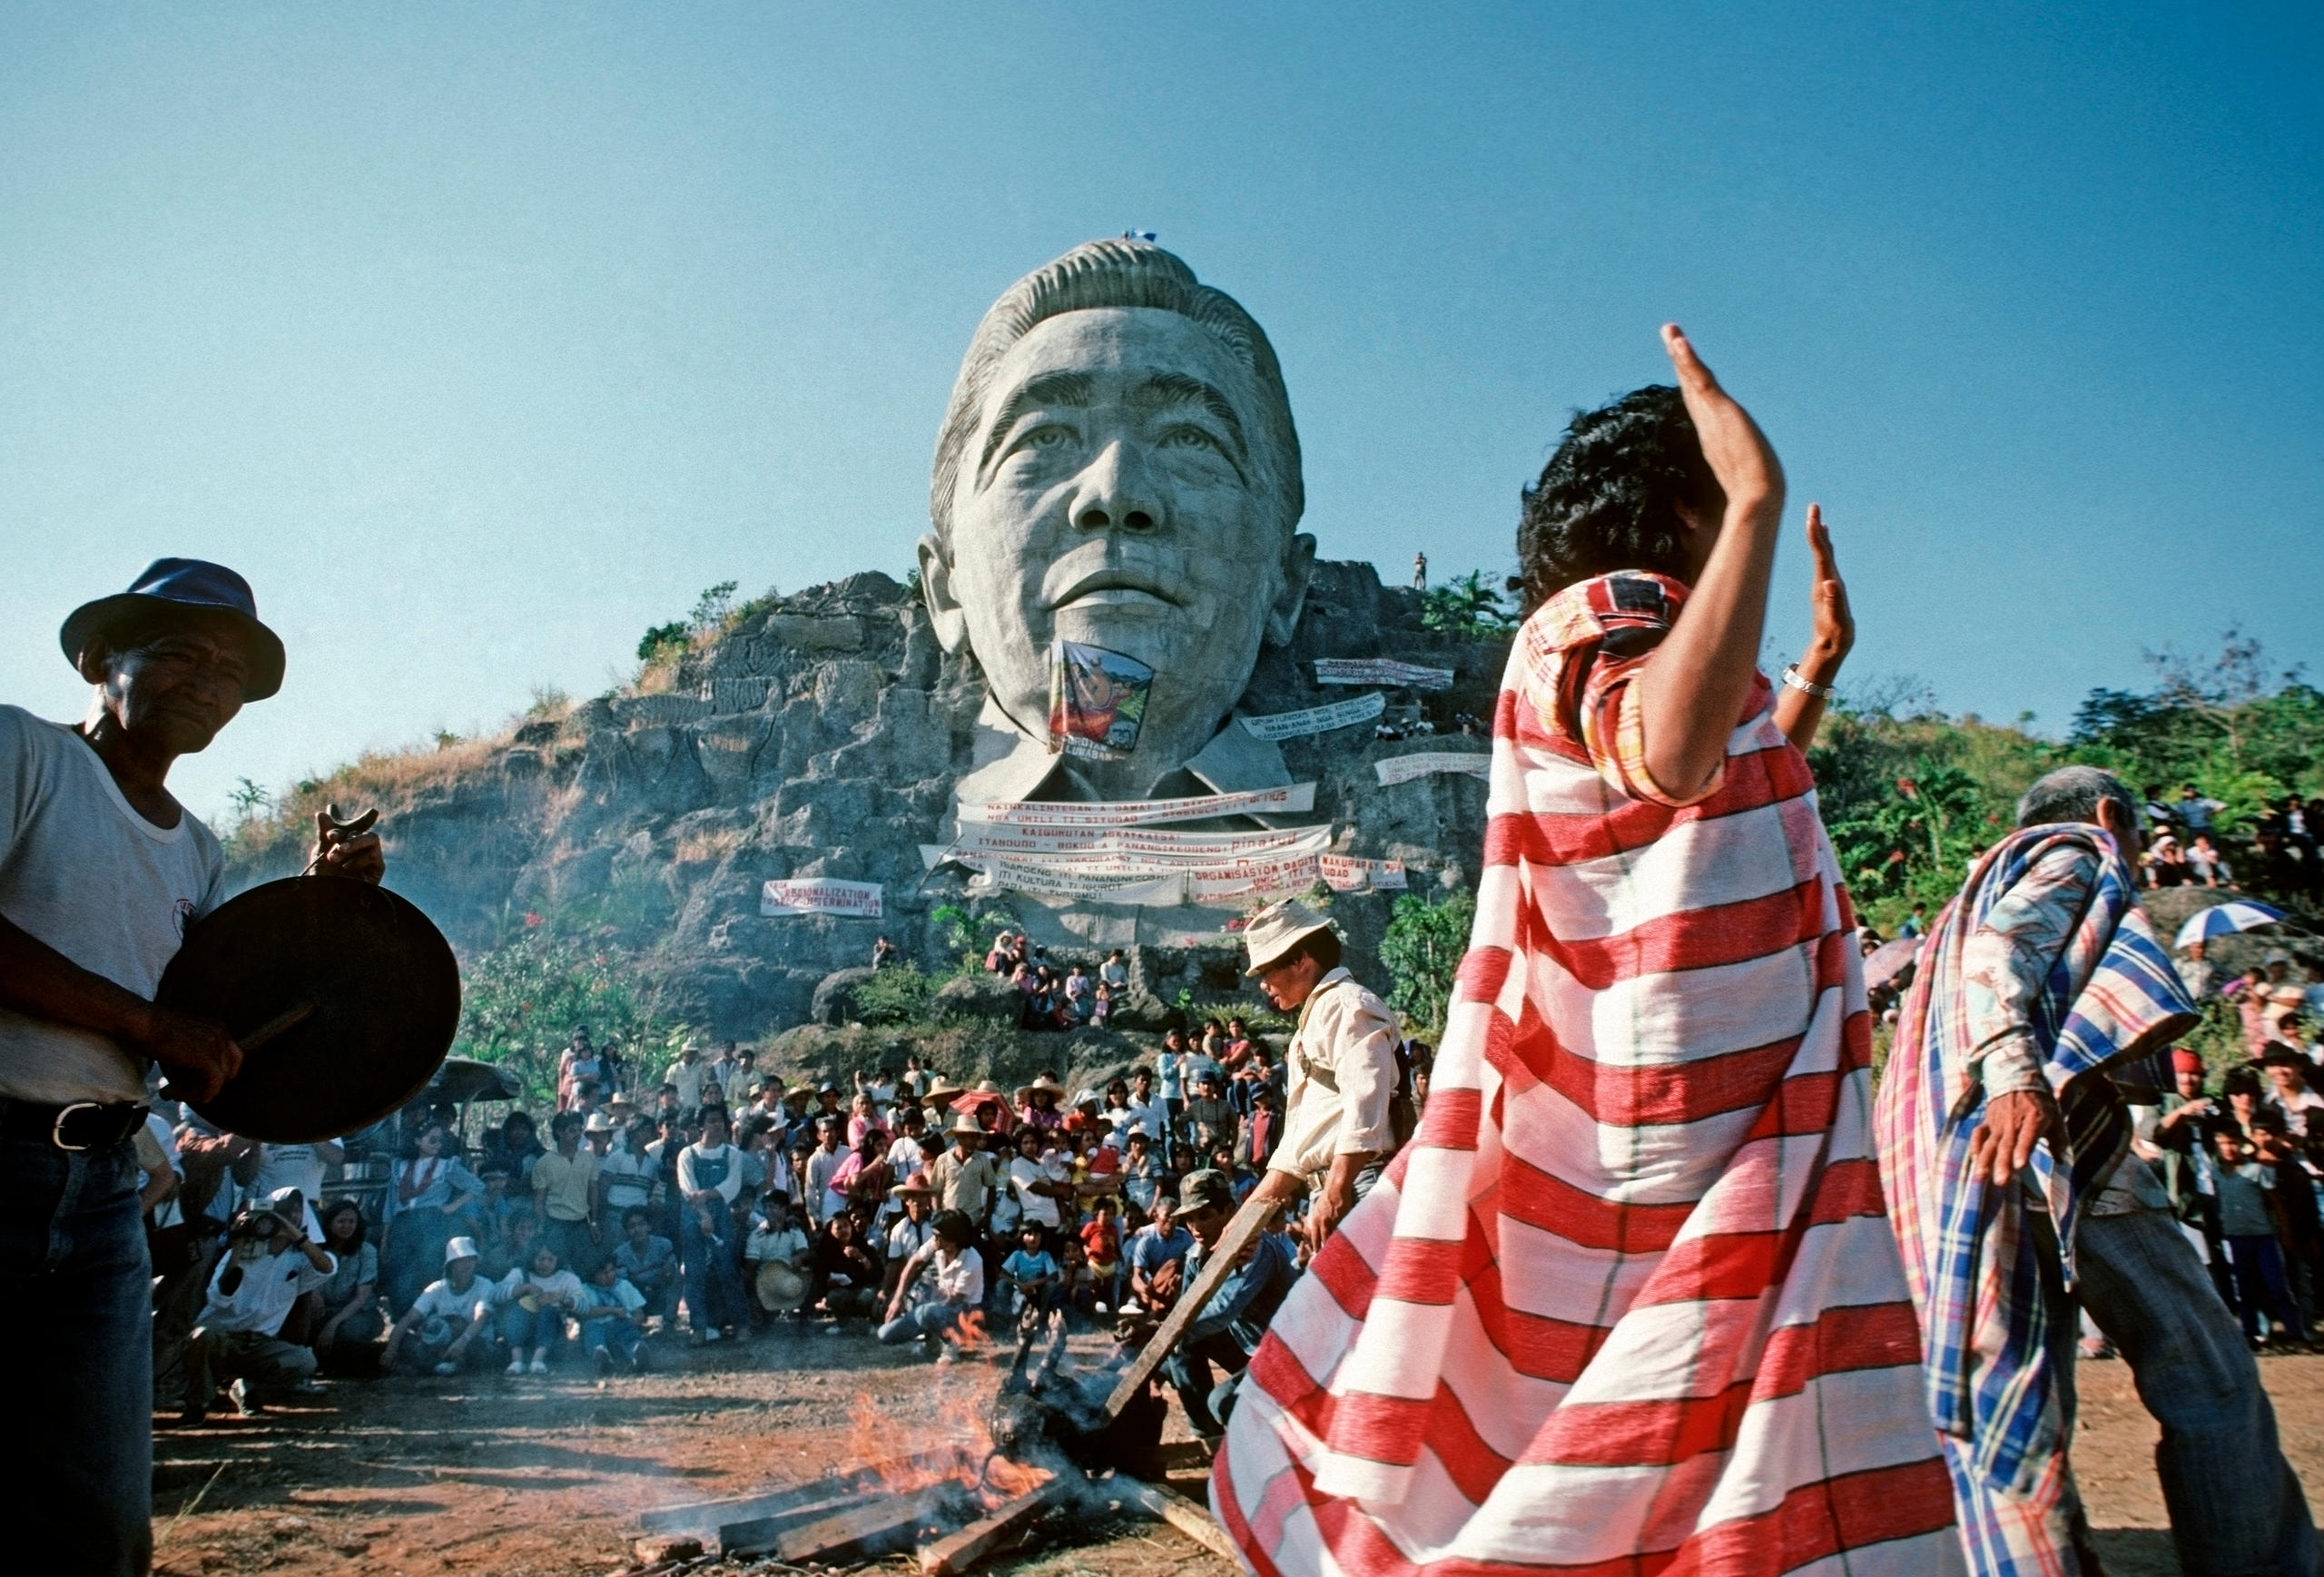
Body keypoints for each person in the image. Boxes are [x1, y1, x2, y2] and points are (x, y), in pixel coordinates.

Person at [1222, 331, 1953, 1574]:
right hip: (1676, 1112)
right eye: (1715, 507)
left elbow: (1705, 806)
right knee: (1684, 1421)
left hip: (1667, 1111)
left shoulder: (1630, 646)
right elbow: (1663, 749)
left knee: (1637, 1422)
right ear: (1682, 511)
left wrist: (1811, 679)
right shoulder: (1609, 617)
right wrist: (1760, 510)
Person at [0, 560, 387, 1573]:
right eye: (180, 652)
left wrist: (320, 906)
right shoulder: (23, 755)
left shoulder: (198, 854)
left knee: (96, 1511)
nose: (209, 681)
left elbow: (214, 1030)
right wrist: (151, 1025)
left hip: (102, 1195)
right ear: (99, 660)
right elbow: (158, 1023)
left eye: (230, 670)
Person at [1878, 764, 2315, 1573]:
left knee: (2025, 1384)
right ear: (2114, 814)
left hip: (1969, 1163)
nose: (2143, 854)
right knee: (2206, 1366)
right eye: (2141, 834)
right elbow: (2003, 949)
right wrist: (2013, 1074)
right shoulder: (2076, 847)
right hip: (2057, 1150)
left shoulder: (1966, 893)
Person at [1234, 900, 1399, 1248]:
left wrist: (1337, 1190)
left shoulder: (1345, 1003)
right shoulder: (1308, 1030)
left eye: (1266, 971)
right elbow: (1296, 1149)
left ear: (1300, 960)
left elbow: (1365, 1099)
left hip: (1357, 1186)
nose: (1264, 984)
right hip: (1330, 1190)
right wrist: (1241, 1226)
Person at [1156, 1168, 1295, 1442]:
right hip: (1249, 1351)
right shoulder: (1197, 1255)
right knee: (1180, 1345)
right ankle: (1206, 1439)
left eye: (1204, 1216)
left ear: (1230, 1211)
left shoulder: (1256, 1247)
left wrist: (1161, 1332)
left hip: (1287, 1356)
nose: (1195, 1227)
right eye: (1189, 1219)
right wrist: (1155, 1368)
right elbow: (1186, 1312)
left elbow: (1222, 1310)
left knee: (1222, 1402)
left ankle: (1274, 1450)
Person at [181, 1188, 339, 1424]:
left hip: (260, 1342)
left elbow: (327, 1267)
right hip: (223, 1335)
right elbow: (220, 1295)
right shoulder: (244, 1250)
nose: (292, 1215)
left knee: (304, 1361)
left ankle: (247, 1387)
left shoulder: (298, 1258)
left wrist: (297, 1236)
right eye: (285, 1210)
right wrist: (237, 1247)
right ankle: (198, 1402)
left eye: (297, 1210)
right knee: (202, 1336)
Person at [382, 1121, 483, 1312]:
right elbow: (390, 1204)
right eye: (433, 1139)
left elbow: (476, 1186)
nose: (438, 1144)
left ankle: (428, 1321)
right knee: (400, 1274)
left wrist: (451, 1207)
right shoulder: (400, 1166)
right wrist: (385, 1236)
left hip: (431, 1222)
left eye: (441, 1141)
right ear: (418, 1141)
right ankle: (401, 1321)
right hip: (402, 1223)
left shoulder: (446, 1166)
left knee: (428, 1272)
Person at [676, 1106, 749, 1340]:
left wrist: (706, 1198)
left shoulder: (733, 1154)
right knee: (695, 1272)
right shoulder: (687, 1154)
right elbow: (688, 1189)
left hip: (722, 1215)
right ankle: (698, 1328)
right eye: (711, 1121)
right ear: (701, 1125)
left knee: (728, 1269)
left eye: (720, 1121)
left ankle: (741, 1325)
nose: (716, 1125)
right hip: (692, 1216)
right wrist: (703, 1215)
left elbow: (732, 1186)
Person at [878, 1209, 984, 1360]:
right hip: (938, 1306)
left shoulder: (973, 1262)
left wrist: (923, 1313)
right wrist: (897, 1298)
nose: (934, 1239)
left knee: (928, 1311)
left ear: (952, 1239)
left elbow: (954, 1300)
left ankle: (951, 1345)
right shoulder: (937, 1244)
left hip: (964, 1314)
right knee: (885, 1334)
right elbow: (913, 1263)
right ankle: (931, 1337)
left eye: (938, 1236)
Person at [381, 1237, 497, 1375]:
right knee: (406, 1342)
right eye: (461, 1260)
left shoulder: (485, 1285)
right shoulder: (437, 1288)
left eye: (470, 1259)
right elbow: (409, 1318)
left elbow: (481, 1318)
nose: (467, 1264)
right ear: (451, 1265)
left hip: (472, 1342)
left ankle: (436, 1366)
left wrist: (463, 1341)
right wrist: (390, 1349)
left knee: (481, 1351)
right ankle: (442, 1365)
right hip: (442, 1345)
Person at [311, 1198, 382, 1375]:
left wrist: (332, 1325)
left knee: (349, 1330)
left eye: (352, 1221)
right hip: (324, 1310)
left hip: (357, 1313)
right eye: (341, 1221)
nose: (347, 1226)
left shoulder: (367, 1251)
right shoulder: (316, 1250)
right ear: (329, 1223)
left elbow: (361, 1298)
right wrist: (312, 1292)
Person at [531, 1110, 603, 1279]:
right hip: (555, 1222)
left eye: (580, 1130)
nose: (577, 1135)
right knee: (556, 1267)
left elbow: (593, 1191)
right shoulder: (544, 1162)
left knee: (582, 1266)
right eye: (572, 1130)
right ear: (559, 1132)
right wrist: (542, 1225)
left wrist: (593, 1222)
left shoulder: (589, 1158)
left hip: (580, 1223)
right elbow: (539, 1199)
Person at [494, 1243, 585, 1374]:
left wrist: (561, 1299)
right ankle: (516, 1361)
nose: (545, 1264)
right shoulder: (520, 1274)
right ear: (533, 1258)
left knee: (548, 1310)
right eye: (541, 1259)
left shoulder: (567, 1278)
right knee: (517, 1311)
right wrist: (525, 1288)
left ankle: (538, 1360)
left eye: (550, 1260)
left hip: (552, 1334)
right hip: (522, 1329)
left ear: (557, 1260)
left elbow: (585, 1305)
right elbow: (495, 1294)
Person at [576, 1257, 651, 1374]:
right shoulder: (585, 1289)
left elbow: (639, 1312)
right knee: (594, 1335)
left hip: (622, 1324)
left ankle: (638, 1353)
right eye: (604, 1273)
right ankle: (601, 1357)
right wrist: (611, 1310)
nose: (610, 1275)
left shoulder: (624, 1285)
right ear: (593, 1275)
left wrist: (634, 1321)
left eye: (612, 1271)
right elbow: (584, 1313)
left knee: (630, 1336)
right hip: (597, 1325)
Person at [1125, 1192, 1193, 1312]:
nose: (1171, 1219)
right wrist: (1143, 1289)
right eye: (1167, 1215)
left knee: (1174, 1266)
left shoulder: (1185, 1237)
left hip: (1175, 1286)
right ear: (1156, 1217)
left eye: (1175, 1215)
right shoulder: (1147, 1241)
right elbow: (1137, 1276)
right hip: (1152, 1286)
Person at [613, 1207, 679, 1326]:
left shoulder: (663, 1244)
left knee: (677, 1276)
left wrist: (668, 1270)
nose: (637, 1229)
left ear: (649, 1226)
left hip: (659, 1289)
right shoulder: (620, 1254)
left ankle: (669, 1318)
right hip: (637, 1294)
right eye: (632, 1226)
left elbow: (671, 1269)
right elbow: (623, 1284)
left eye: (641, 1224)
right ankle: (634, 1319)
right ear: (626, 1231)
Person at [998, 1220, 1061, 1322]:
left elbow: (1053, 1276)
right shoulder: (1017, 1255)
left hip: (1039, 1292)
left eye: (1036, 1234)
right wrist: (1019, 1284)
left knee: (1052, 1285)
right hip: (1020, 1290)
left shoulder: (1045, 1255)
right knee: (1001, 1285)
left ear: (1041, 1237)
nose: (1033, 1238)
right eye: (1029, 1234)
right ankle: (1005, 1317)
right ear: (1022, 1237)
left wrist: (1033, 1283)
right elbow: (1002, 1274)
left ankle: (1043, 1315)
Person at [663, 1038, 712, 1121]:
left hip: (695, 1105)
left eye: (694, 1053)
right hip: (679, 1107)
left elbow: (702, 1087)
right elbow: (668, 1089)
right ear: (684, 1053)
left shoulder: (698, 1069)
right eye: (690, 1053)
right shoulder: (675, 1068)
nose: (692, 1055)